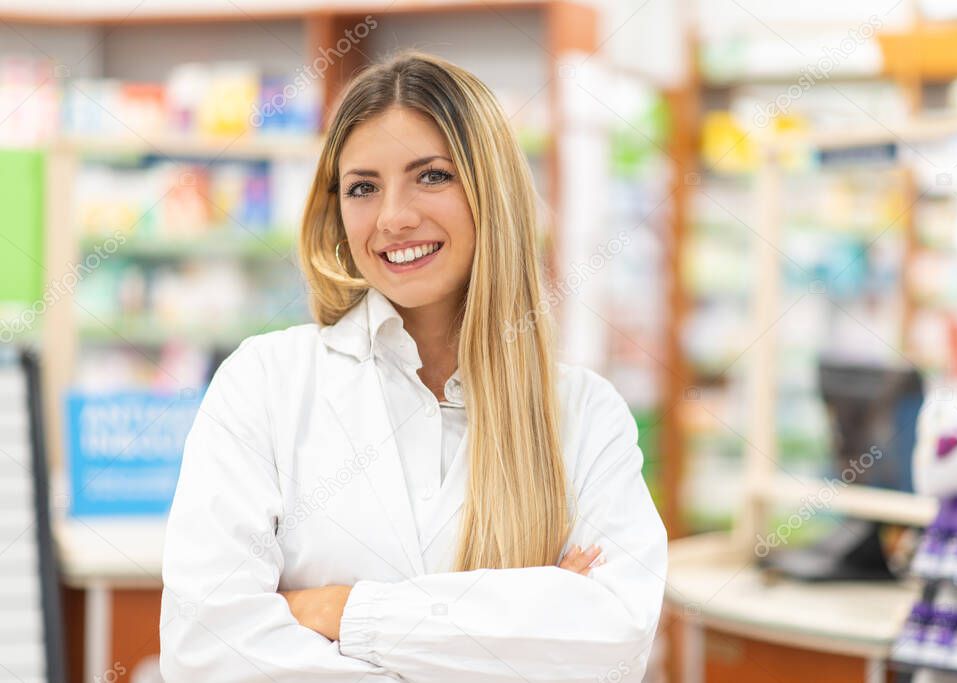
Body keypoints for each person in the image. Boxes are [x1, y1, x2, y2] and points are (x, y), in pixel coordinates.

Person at [159, 50, 667, 683]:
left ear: (492, 191)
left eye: (431, 176)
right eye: (363, 187)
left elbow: (611, 642)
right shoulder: (264, 382)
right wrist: (520, 630)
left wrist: (343, 613)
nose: (394, 216)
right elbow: (208, 651)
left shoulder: (585, 415)